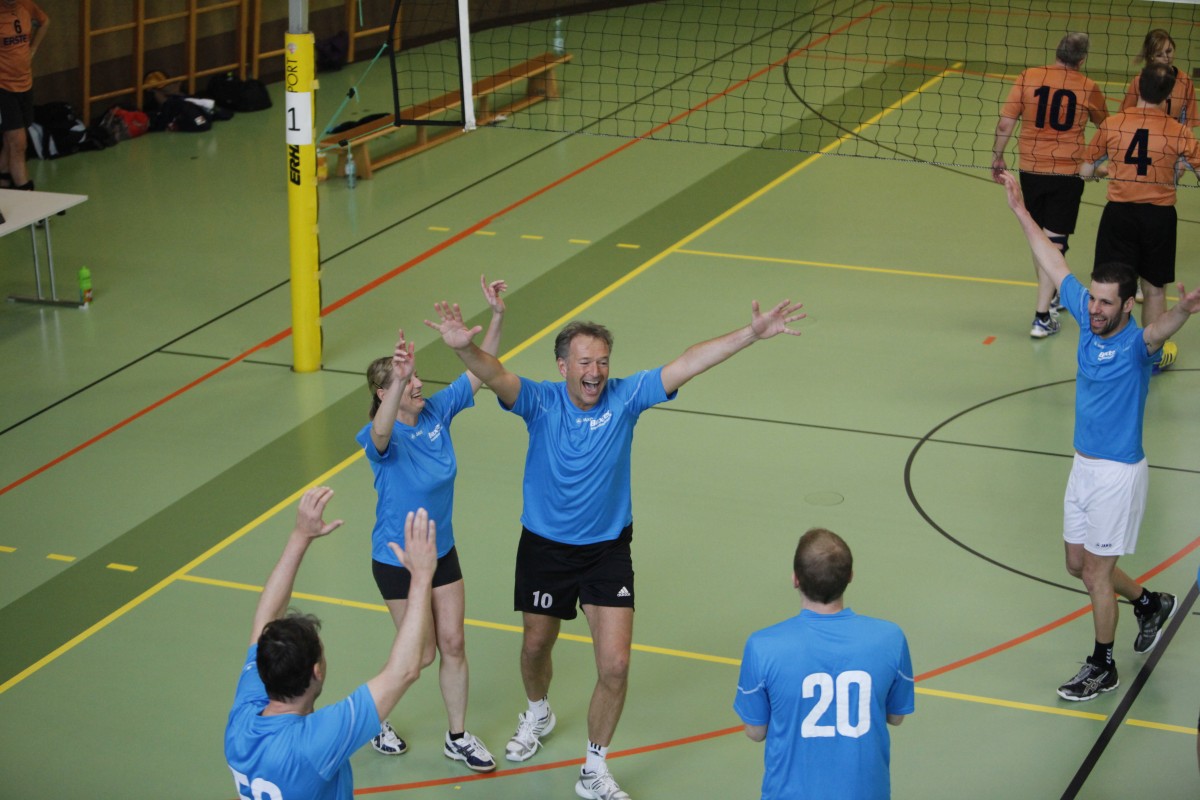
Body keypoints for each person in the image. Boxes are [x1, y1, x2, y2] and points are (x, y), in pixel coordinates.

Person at [426, 295, 805, 800]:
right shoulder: (539, 401)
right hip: (544, 548)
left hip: (607, 550)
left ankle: (594, 767)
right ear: (563, 366)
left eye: (603, 362)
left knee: (616, 665)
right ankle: (537, 711)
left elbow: (689, 361)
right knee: (536, 646)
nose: (596, 372)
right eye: (585, 362)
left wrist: (751, 333)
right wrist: (462, 348)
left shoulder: (626, 397)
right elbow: (494, 373)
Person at [999, 170, 1195, 701]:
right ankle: (1150, 603)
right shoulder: (1089, 322)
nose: (1095, 308)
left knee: (1095, 575)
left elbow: (1159, 329)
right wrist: (1020, 210)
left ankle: (1102, 666)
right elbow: (1053, 261)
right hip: (1083, 466)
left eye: (1107, 303)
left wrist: (1181, 310)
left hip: (1117, 474)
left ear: (1128, 305)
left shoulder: (1135, 345)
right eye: (1093, 300)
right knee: (1077, 564)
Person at [354, 275, 507, 771]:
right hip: (397, 559)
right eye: (407, 381)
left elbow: (482, 370)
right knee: (418, 656)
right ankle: (369, 720)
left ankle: (457, 736)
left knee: (454, 644)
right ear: (385, 392)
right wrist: (398, 382)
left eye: (417, 377)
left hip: (441, 551)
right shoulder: (380, 438)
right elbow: (381, 430)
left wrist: (497, 317)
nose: (419, 384)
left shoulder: (438, 412)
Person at [225, 487, 437, 799]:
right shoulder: (315, 743)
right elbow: (404, 671)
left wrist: (300, 536)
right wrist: (421, 578)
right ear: (317, 671)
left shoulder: (243, 720)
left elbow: (265, 620)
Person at [734, 528, 914, 800]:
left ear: (795, 579)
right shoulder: (891, 638)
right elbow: (896, 717)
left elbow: (756, 731)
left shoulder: (763, 646)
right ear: (850, 576)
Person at [1082, 63, 1200, 371]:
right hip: (1159, 218)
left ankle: (1105, 351)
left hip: (1119, 215)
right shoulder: (1179, 131)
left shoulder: (1114, 124)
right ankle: (1152, 357)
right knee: (1154, 288)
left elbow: (1084, 171)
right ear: (1169, 94)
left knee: (1111, 285)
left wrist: (1105, 170)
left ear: (1137, 87)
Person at [992, 32, 1108, 339]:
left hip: (1031, 170)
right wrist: (1094, 162)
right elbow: (1107, 128)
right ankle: (1042, 316)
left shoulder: (1028, 77)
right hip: (1067, 173)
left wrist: (998, 156)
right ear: (1082, 60)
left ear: (1057, 52)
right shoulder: (1088, 87)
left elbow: (1005, 123)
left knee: (1040, 238)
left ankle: (1052, 297)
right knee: (1054, 242)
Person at [0, 0, 49, 190]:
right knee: (19, 143)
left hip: (24, 83)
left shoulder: (25, 5)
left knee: (11, 140)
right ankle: (25, 188)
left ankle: (3, 179)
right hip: (3, 87)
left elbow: (44, 22)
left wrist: (33, 48)